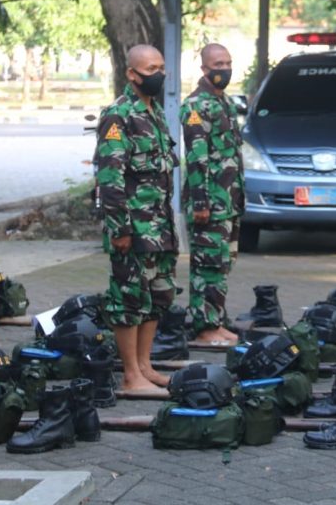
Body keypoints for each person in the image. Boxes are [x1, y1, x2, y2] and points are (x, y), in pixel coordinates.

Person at [94, 44, 178, 390]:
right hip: (132, 227)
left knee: (157, 296)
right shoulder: (119, 115)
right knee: (128, 299)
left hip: (159, 226)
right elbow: (110, 178)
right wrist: (120, 228)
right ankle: (130, 374)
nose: (157, 74)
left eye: (161, 67)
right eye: (150, 68)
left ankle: (145, 366)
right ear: (132, 73)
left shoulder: (154, 112)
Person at [181, 43, 245, 344]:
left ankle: (216, 320)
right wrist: (201, 202)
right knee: (207, 264)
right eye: (218, 64)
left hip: (229, 200)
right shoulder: (197, 106)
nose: (224, 69)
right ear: (204, 68)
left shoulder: (225, 102)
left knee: (221, 263)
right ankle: (205, 327)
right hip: (209, 203)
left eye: (228, 62)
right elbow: (197, 157)